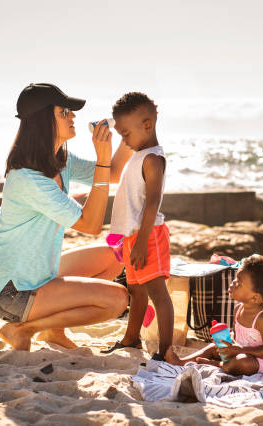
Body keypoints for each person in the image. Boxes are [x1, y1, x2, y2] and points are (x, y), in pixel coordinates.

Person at [0, 83, 133, 351]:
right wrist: (102, 158)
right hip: (12, 293)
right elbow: (91, 224)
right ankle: (24, 329)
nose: (72, 116)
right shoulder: (27, 178)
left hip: (37, 275)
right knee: (117, 300)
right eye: (64, 112)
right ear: (43, 121)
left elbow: (113, 174)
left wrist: (128, 130)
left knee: (113, 256)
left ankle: (53, 331)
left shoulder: (60, 159)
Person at [100, 92, 173, 361]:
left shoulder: (153, 158)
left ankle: (166, 351)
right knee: (136, 290)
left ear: (147, 125)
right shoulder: (139, 154)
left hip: (148, 235)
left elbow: (152, 202)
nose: (124, 140)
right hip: (134, 236)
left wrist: (142, 241)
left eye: (126, 134)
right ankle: (131, 339)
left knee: (157, 292)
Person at [165, 255, 263, 375]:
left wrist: (239, 350)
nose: (233, 283)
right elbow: (238, 337)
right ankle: (181, 362)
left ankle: (218, 365)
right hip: (242, 351)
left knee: (243, 362)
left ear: (255, 297)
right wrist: (225, 340)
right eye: (236, 278)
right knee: (213, 347)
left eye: (239, 283)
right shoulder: (238, 308)